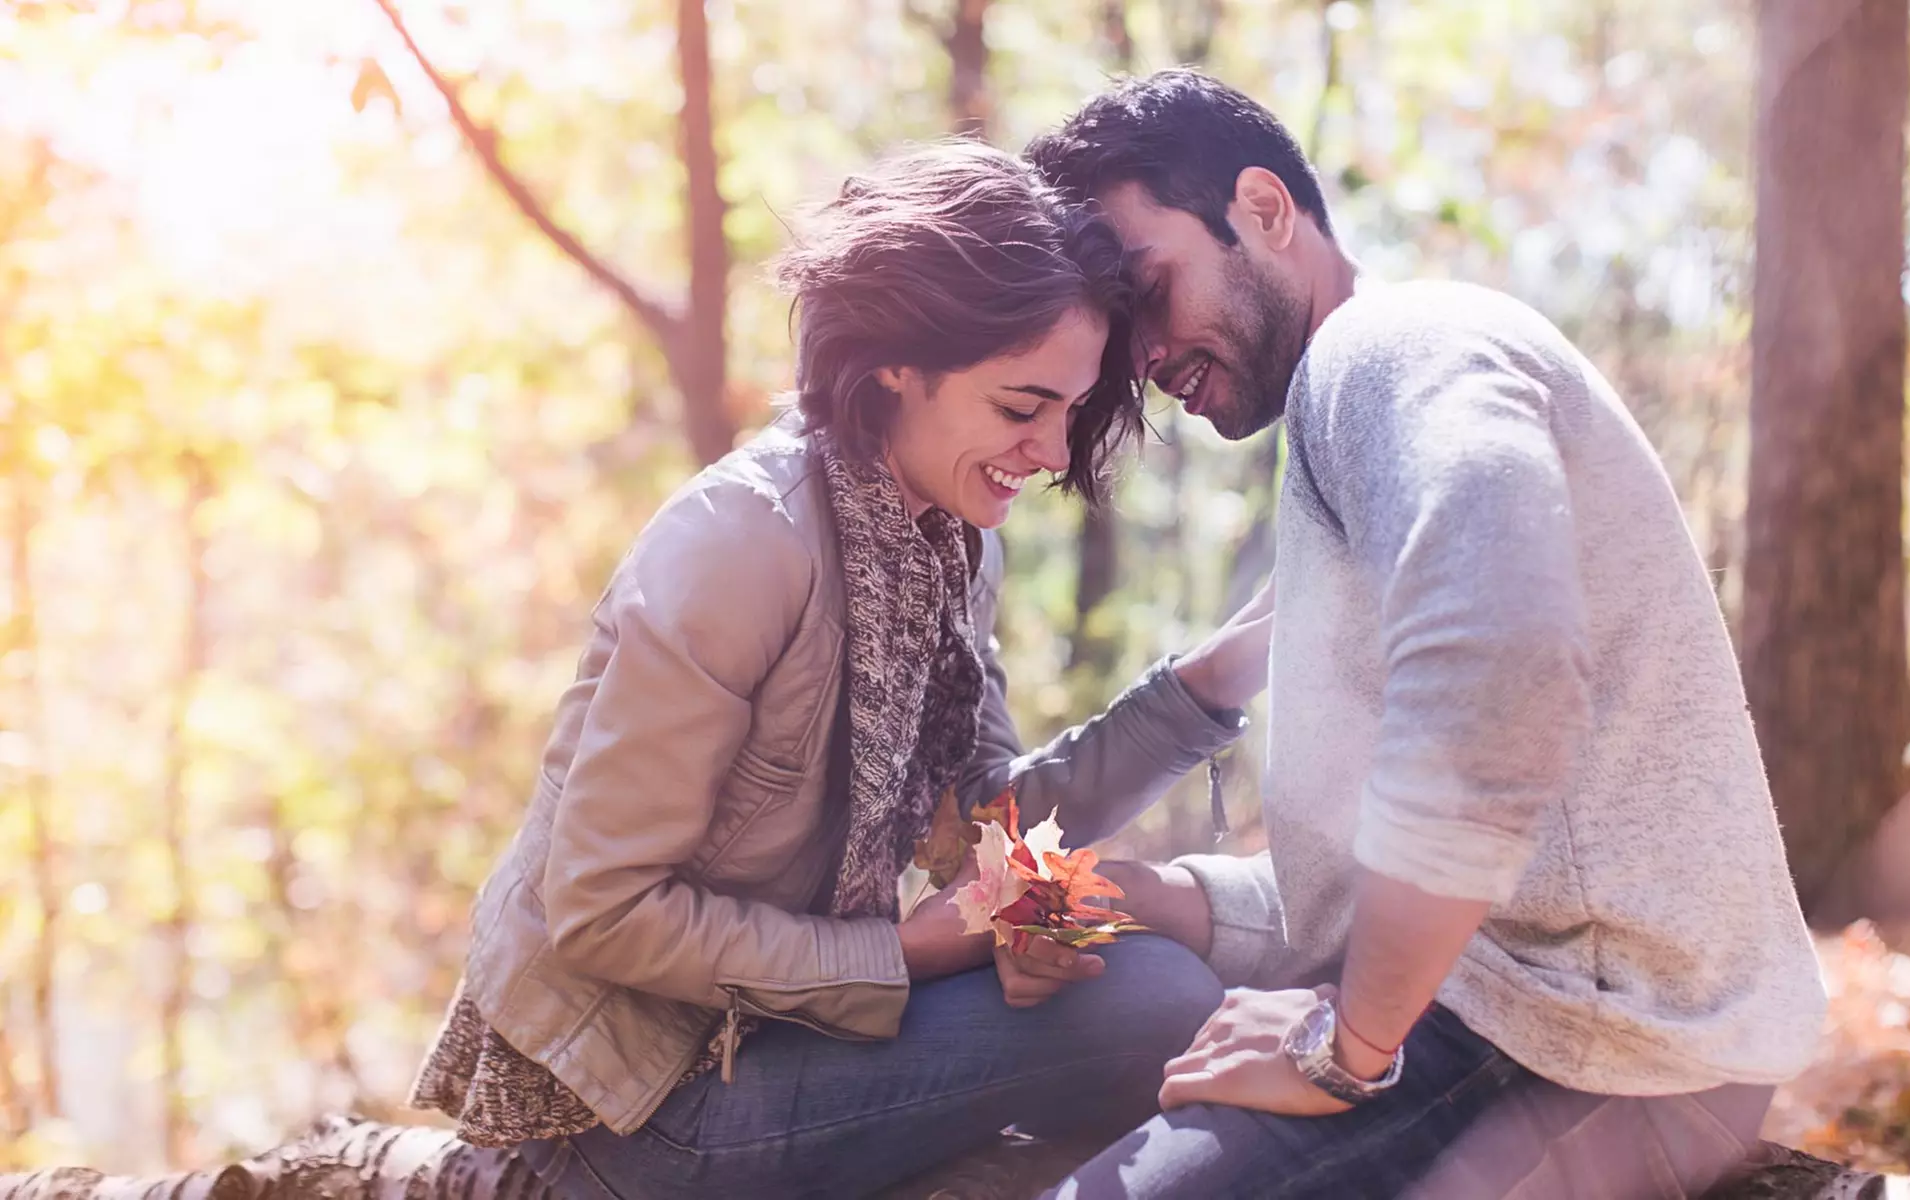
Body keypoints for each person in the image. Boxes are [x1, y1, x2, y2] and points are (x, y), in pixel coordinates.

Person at [406, 140, 1273, 1200]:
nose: (1051, 451)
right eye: (1020, 406)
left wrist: (1211, 684)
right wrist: (912, 951)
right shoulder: (740, 546)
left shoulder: (952, 536)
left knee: (1149, 984)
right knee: (1156, 1009)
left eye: (1070, 410)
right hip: (642, 1107)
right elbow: (603, 908)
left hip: (776, 1033)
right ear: (896, 363)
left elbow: (987, 824)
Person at [1022, 71, 1829, 1198]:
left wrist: (1344, 1048)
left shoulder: (1394, 347)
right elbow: (1439, 876)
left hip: (1579, 1058)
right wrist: (1179, 898)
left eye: (1150, 290)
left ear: (1264, 208)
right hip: (1543, 1026)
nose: (1143, 355)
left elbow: (1497, 677)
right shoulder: (1354, 416)